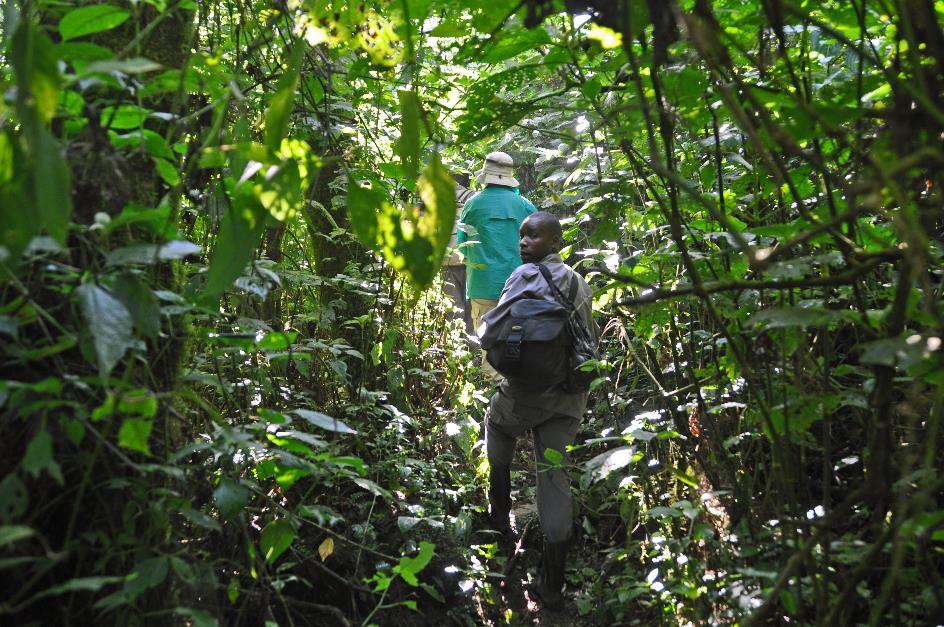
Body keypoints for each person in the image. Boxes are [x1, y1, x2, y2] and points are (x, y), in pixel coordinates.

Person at [479, 211, 597, 611]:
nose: (524, 243)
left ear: (554, 242)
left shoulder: (522, 277)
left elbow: (491, 330)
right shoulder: (580, 285)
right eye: (522, 236)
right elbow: (589, 344)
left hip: (525, 396)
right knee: (554, 475)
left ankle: (499, 520)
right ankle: (553, 584)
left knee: (496, 424)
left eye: (534, 236)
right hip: (568, 400)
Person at [457, 151, 536, 379]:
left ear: (485, 175)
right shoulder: (525, 206)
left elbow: (463, 243)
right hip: (520, 285)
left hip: (482, 284)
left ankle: (493, 392)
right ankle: (518, 386)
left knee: (488, 341)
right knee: (520, 338)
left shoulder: (472, 205)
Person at [441, 173, 476, 333]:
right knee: (471, 304)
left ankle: (454, 343)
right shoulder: (474, 197)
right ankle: (472, 344)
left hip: (446, 260)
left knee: (453, 306)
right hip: (470, 258)